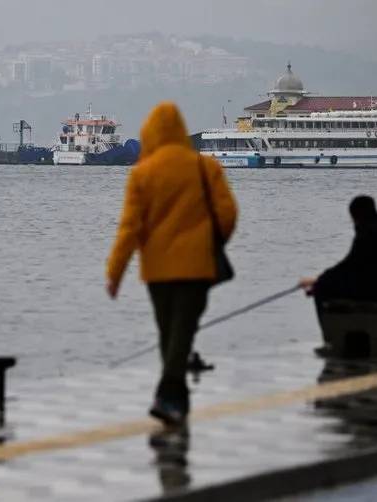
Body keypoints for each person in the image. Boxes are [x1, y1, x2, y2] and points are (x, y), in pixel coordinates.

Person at [106, 102, 237, 426]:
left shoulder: (142, 173)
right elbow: (228, 214)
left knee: (169, 333)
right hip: (197, 267)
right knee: (182, 333)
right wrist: (210, 240)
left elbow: (129, 228)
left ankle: (169, 396)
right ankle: (174, 399)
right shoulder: (205, 168)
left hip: (158, 270)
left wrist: (115, 272)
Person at [299, 195, 377, 353]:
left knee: (321, 289)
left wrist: (319, 280)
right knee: (325, 284)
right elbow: (357, 268)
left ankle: (332, 341)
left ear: (356, 215)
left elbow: (350, 265)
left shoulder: (368, 232)